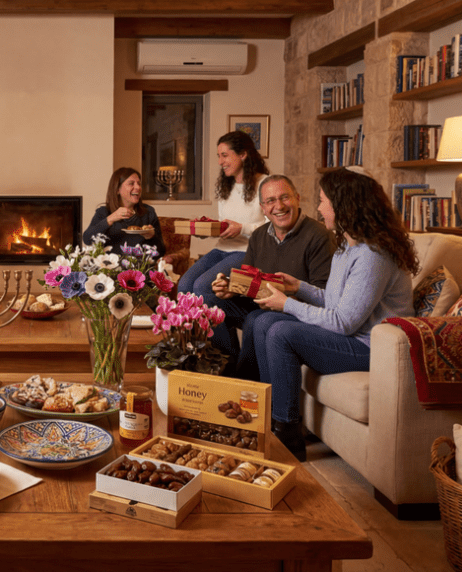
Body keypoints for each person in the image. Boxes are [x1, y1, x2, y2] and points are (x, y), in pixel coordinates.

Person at [249, 169, 419, 461]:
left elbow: (343, 322)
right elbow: (334, 302)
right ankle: (271, 421)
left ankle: (287, 438)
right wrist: (298, 287)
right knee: (264, 322)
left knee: (281, 332)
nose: (318, 209)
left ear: (343, 206)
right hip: (352, 337)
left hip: (372, 348)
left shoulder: (373, 255)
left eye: (323, 201)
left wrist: (287, 304)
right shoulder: (346, 247)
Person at [209, 175, 335, 380]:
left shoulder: (319, 235)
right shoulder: (258, 236)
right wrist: (231, 288)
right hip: (263, 306)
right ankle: (224, 370)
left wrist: (285, 302)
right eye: (270, 201)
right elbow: (249, 281)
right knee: (211, 301)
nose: (279, 206)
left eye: (285, 197)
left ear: (297, 198)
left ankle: (245, 385)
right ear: (263, 208)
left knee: (255, 319)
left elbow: (323, 294)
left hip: (296, 311)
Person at [177, 131, 269, 295]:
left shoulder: (266, 184)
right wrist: (206, 231)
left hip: (247, 252)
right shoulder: (225, 187)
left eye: (225, 155)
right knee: (184, 284)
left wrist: (242, 228)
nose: (220, 162)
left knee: (202, 286)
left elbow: (273, 228)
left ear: (243, 154)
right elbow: (225, 226)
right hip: (221, 249)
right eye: (219, 156)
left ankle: (212, 314)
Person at [82, 167, 166, 256]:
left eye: (139, 183)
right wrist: (111, 218)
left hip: (139, 264)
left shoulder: (148, 212)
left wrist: (152, 237)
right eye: (131, 183)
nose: (138, 187)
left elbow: (161, 252)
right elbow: (87, 239)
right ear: (117, 189)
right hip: (111, 264)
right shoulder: (104, 212)